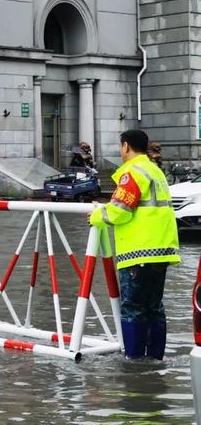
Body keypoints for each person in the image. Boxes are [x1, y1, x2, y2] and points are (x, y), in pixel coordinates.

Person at [89, 130, 180, 359]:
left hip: (138, 252)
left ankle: (134, 362)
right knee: (154, 308)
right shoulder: (154, 170)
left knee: (133, 308)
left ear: (126, 146)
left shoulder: (132, 172)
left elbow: (119, 211)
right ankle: (155, 359)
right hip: (162, 250)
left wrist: (96, 216)